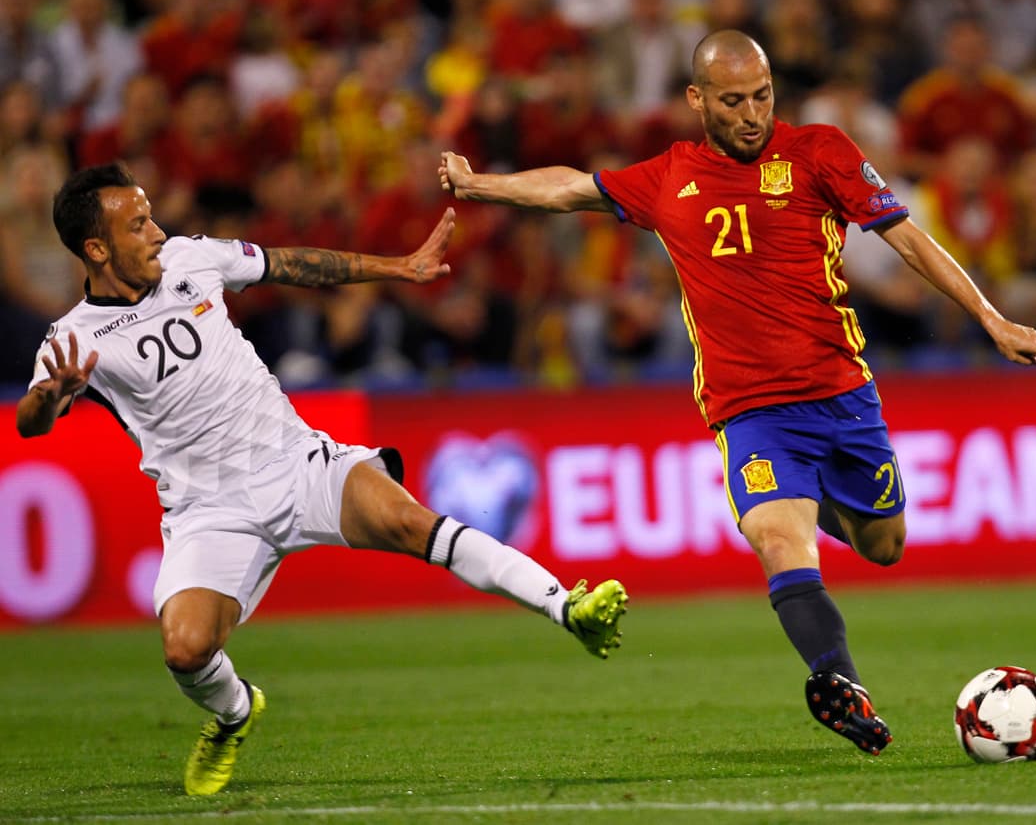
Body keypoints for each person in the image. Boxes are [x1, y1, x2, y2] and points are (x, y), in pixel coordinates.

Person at [439, 29, 1036, 756]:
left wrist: (990, 318)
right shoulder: (669, 177)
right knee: (777, 538)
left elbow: (908, 240)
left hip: (843, 394)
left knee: (884, 545)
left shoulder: (821, 152)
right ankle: (840, 683)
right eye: (732, 101)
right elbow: (572, 187)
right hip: (751, 413)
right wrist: (482, 183)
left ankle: (816, 503)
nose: (750, 115)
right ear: (696, 100)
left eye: (762, 97)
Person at [16, 162, 628, 796]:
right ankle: (235, 713)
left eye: (151, 216)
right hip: (209, 509)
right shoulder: (73, 339)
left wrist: (399, 268)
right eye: (138, 223)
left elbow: (292, 263)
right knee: (185, 650)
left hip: (297, 462)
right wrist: (55, 393)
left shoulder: (191, 259)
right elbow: (34, 420)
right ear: (97, 248)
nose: (157, 231)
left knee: (410, 521)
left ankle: (567, 607)